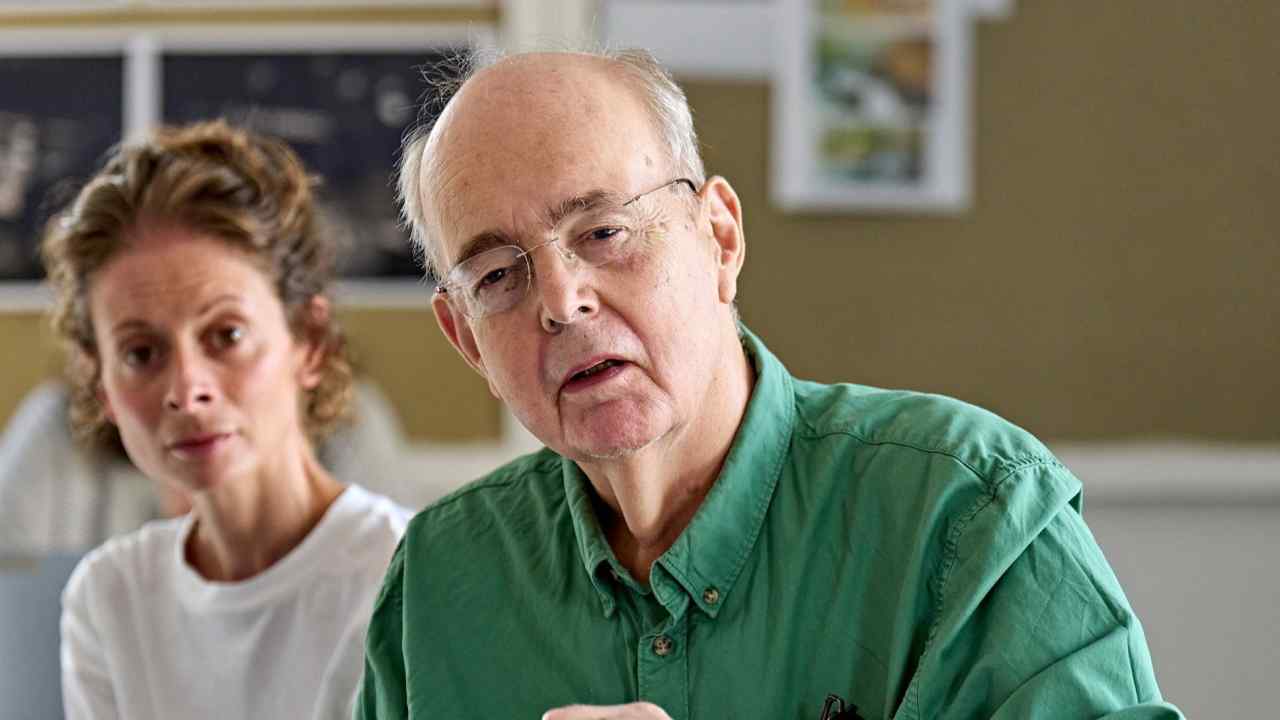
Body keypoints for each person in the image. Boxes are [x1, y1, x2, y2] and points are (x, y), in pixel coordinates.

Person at [357, 48, 1185, 719]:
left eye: (604, 230)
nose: (562, 300)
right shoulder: (439, 582)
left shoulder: (971, 515)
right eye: (499, 275)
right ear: (466, 338)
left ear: (719, 237)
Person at [44, 120, 412, 719]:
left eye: (226, 335)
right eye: (141, 354)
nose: (187, 391)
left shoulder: (408, 580)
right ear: (101, 384)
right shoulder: (110, 597)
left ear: (308, 342)